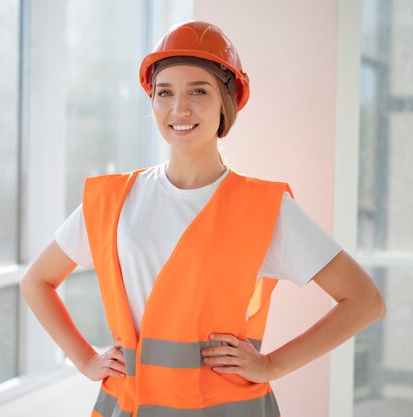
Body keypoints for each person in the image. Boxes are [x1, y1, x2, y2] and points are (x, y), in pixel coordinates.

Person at [20, 20, 386, 417]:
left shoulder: (264, 207)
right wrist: (86, 360)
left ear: (226, 102)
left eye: (199, 90)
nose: (180, 108)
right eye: (165, 93)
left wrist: (272, 365)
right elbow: (36, 281)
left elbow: (364, 301)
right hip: (126, 408)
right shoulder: (112, 200)